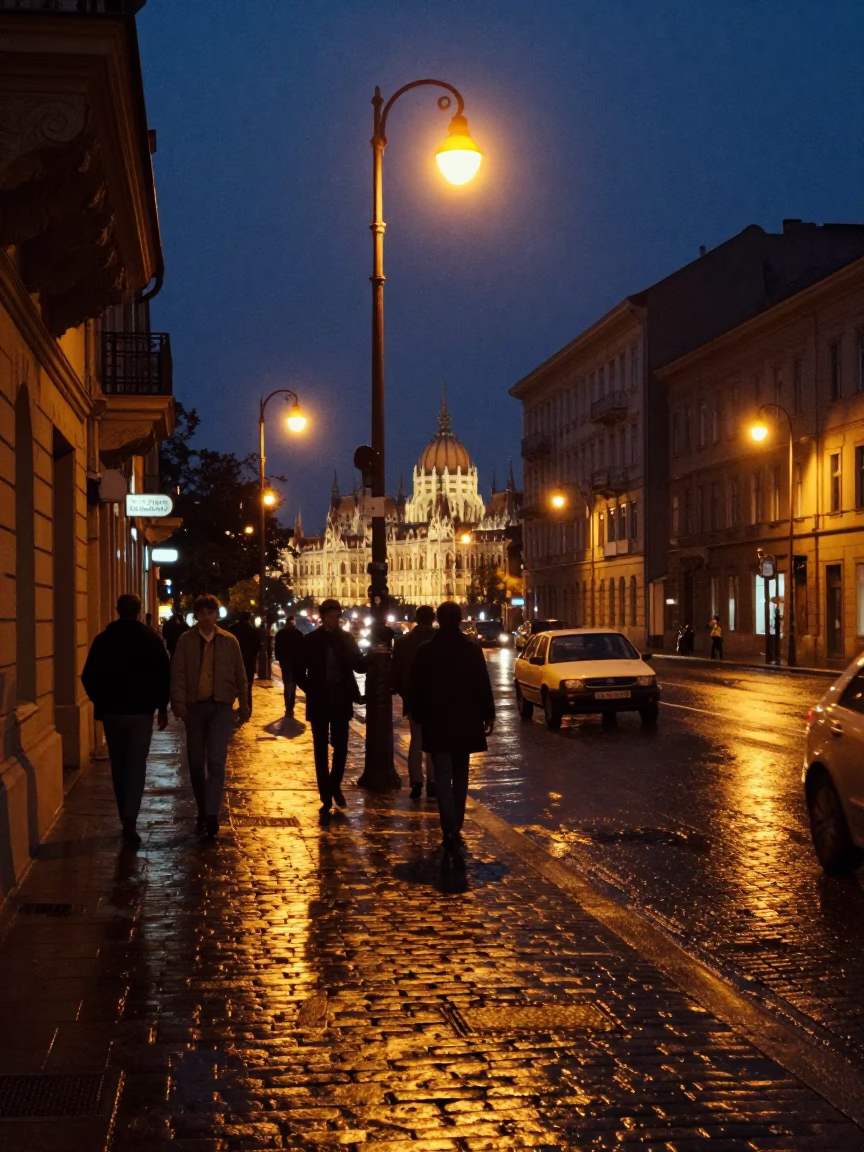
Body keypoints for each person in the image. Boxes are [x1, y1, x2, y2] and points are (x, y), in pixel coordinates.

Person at [81, 593, 171, 845]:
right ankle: (131, 817)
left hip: (112, 713)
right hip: (141, 712)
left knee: (119, 765)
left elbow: (88, 676)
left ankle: (124, 814)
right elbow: (164, 673)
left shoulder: (103, 640)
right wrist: (162, 706)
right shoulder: (151, 639)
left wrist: (100, 700)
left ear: (117, 609)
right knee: (136, 765)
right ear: (139, 611)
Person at [409, 601, 495, 863]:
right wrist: (488, 714)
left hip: (437, 722)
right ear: (459, 620)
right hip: (465, 721)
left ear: (438, 620)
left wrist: (419, 716)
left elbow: (416, 688)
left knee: (443, 775)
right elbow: (482, 684)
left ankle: (448, 827)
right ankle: (456, 825)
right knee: (460, 775)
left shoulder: (426, 651)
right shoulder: (471, 649)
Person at [171, 594, 249, 838]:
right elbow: (178, 673)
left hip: (220, 707)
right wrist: (178, 703)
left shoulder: (229, 641)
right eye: (202, 613)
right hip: (195, 707)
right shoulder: (186, 640)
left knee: (216, 761)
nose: (206, 618)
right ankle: (203, 809)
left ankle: (212, 814)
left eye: (211, 613)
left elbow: (241, 675)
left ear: (216, 615)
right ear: (197, 616)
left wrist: (244, 706)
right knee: (196, 763)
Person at [294, 599, 366, 819]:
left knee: (341, 747)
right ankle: (326, 795)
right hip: (320, 701)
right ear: (324, 616)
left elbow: (358, 665)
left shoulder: (346, 639)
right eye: (333, 616)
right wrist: (312, 690)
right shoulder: (311, 640)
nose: (336, 620)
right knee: (320, 750)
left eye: (338, 616)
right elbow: (299, 671)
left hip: (341, 699)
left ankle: (334, 784)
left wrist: (373, 656)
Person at [391, 605, 437, 800]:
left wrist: (405, 693)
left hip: (413, 698)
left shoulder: (403, 643)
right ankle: (433, 782)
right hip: (435, 698)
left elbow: (396, 675)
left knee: (416, 740)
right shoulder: (439, 639)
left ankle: (416, 781)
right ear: (433, 618)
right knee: (434, 741)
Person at [229, 611, 262, 714]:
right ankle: (247, 708)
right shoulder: (253, 630)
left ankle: (230, 708)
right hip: (248, 662)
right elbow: (258, 647)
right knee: (247, 687)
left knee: (233, 685)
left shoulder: (233, 629)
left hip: (234, 662)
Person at [274, 615, 305, 719]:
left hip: (289, 662)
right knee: (290, 685)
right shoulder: (297, 634)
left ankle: (289, 706)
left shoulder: (282, 634)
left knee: (289, 685)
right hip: (290, 662)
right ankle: (289, 706)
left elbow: (277, 648)